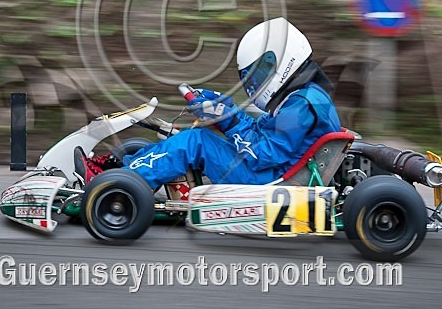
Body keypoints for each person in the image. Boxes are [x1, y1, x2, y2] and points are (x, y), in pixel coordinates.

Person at [74, 17, 341, 189]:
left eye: (257, 75)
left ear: (281, 62)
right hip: (276, 171)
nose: (253, 85)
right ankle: (118, 169)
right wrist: (226, 107)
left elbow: (263, 155)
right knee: (194, 137)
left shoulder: (302, 104)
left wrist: (230, 119)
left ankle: (113, 185)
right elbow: (264, 137)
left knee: (196, 142)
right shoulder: (303, 97)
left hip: (271, 180)